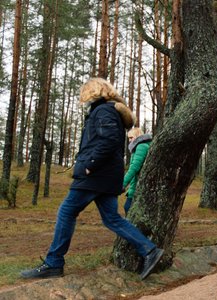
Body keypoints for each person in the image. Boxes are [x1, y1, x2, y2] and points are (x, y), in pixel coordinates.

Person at [20, 78, 164, 280]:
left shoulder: (103, 111)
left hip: (96, 175)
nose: (82, 97)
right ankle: (149, 250)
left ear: (93, 91)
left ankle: (54, 263)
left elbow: (109, 140)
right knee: (112, 219)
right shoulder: (107, 111)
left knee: (66, 211)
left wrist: (89, 165)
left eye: (84, 92)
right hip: (106, 176)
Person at [123, 127, 152, 215]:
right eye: (128, 138)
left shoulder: (141, 146)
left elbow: (134, 167)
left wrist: (123, 183)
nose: (129, 140)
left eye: (131, 138)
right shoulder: (138, 147)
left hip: (138, 187)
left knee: (128, 208)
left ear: (137, 136)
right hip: (135, 186)